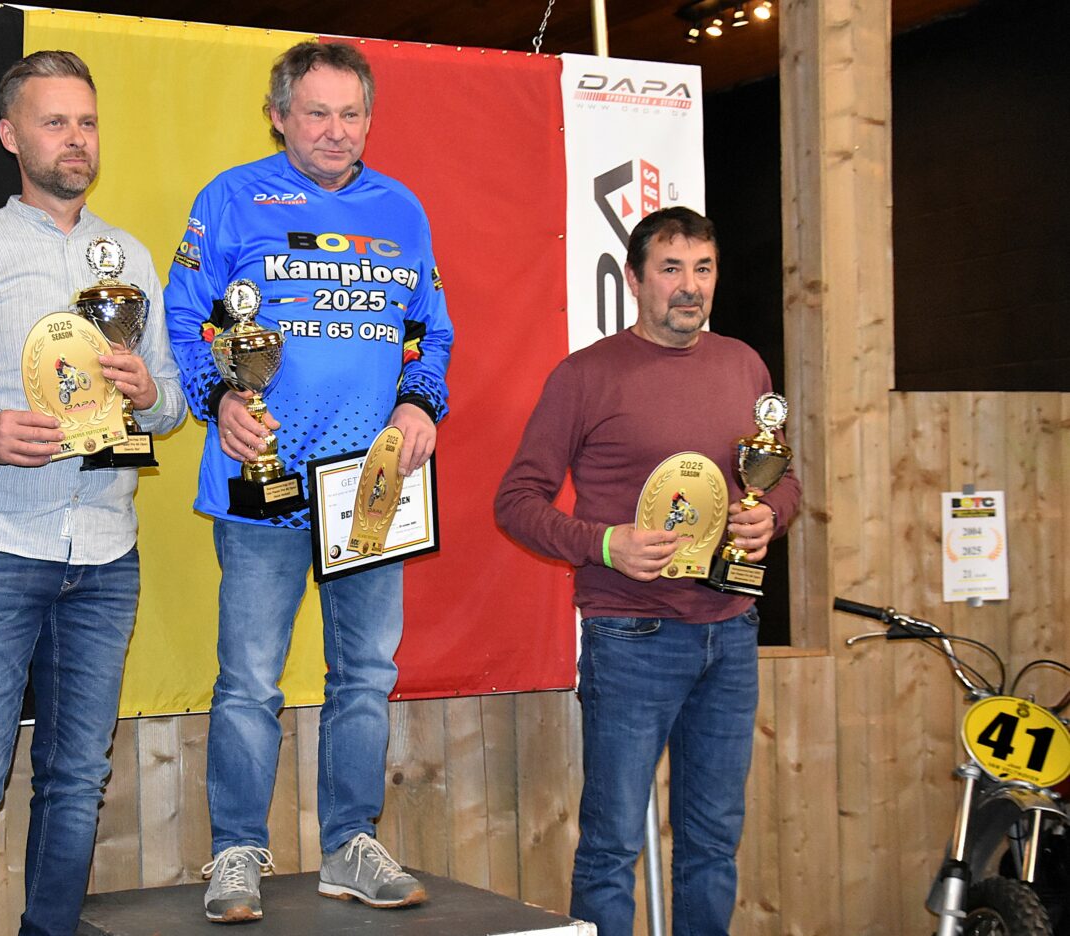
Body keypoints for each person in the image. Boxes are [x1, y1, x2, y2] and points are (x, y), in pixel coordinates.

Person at [0, 50, 186, 936]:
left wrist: (148, 392)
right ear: (11, 136)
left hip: (106, 553)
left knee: (78, 779)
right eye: (55, 123)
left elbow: (170, 404)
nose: (76, 139)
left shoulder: (129, 258)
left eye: (86, 122)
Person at [163, 40, 452, 925]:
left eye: (350, 113)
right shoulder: (229, 198)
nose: (335, 130)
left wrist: (419, 404)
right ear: (278, 116)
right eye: (316, 113)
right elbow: (186, 314)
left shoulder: (401, 209)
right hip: (263, 484)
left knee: (364, 673)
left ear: (369, 118)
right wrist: (218, 399)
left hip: (371, 485)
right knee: (249, 679)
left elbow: (429, 331)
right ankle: (235, 852)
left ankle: (349, 845)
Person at [495, 207, 800, 935]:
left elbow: (783, 478)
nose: (689, 286)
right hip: (630, 636)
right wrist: (607, 546)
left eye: (703, 268)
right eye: (670, 269)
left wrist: (771, 516)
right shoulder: (585, 375)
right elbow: (516, 502)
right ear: (634, 280)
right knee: (610, 847)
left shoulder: (745, 365)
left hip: (731, 632)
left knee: (713, 844)